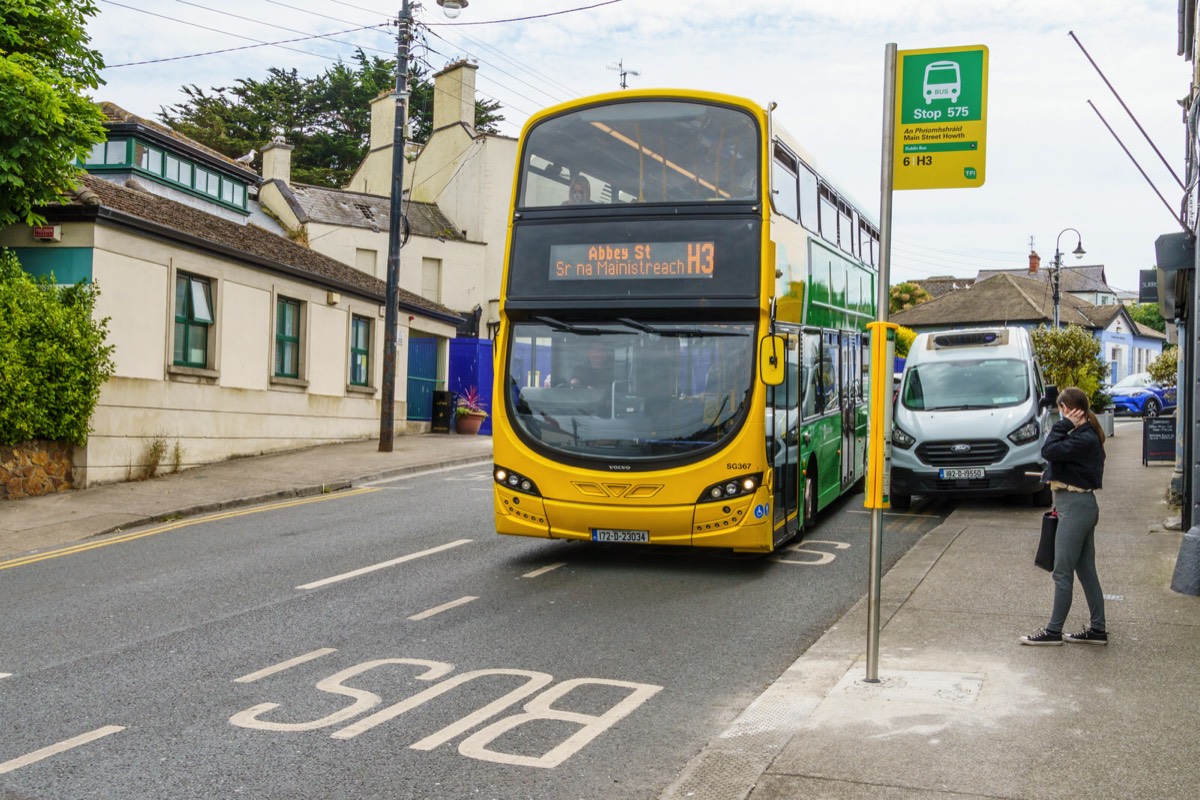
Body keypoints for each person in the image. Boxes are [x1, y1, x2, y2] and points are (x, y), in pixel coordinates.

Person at [1020, 386, 1109, 646]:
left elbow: (1048, 450)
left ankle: (1053, 632)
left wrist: (1062, 425)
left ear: (1069, 410)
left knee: (1062, 571)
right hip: (1078, 506)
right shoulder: (1083, 435)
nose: (1059, 415)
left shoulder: (1083, 438)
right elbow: (1060, 459)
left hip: (1076, 508)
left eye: (1062, 409)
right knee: (1086, 571)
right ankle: (1097, 630)